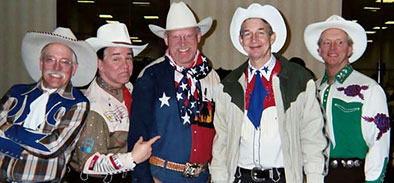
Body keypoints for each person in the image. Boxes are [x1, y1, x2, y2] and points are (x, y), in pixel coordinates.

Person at [210, 3, 328, 183]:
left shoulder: (299, 80)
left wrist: (314, 178)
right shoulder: (228, 86)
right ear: (241, 40)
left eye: (261, 32)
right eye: (247, 33)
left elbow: (312, 138)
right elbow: (221, 145)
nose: (254, 39)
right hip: (241, 178)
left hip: (282, 178)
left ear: (272, 37)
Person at [128, 1, 220, 182]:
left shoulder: (212, 77)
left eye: (188, 36)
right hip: (161, 177)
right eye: (176, 37)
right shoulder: (151, 76)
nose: (183, 43)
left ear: (198, 36)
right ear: (166, 40)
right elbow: (137, 137)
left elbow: (219, 131)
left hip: (202, 178)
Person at [0, 27, 97, 182]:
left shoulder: (78, 103)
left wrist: (8, 128)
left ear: (74, 69)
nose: (56, 68)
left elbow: (52, 146)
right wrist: (31, 139)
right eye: (50, 60)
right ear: (41, 63)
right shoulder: (16, 93)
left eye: (64, 62)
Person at [67, 23, 160, 183]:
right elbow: (88, 164)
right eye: (116, 58)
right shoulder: (93, 107)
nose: (125, 65)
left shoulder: (130, 89)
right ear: (100, 64)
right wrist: (132, 158)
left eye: (128, 58)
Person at [304, 15, 391, 183]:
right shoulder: (311, 89)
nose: (333, 48)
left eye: (340, 42)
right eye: (326, 42)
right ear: (319, 50)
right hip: (314, 176)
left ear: (350, 49)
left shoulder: (369, 89)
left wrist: (373, 180)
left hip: (352, 175)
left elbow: (379, 142)